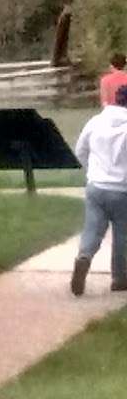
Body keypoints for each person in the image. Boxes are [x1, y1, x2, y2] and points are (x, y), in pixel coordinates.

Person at [71, 84, 127, 296]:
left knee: (92, 229)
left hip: (96, 186)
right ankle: (120, 278)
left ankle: (84, 257)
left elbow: (80, 150)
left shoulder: (96, 121)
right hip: (122, 189)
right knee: (123, 235)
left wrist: (91, 172)